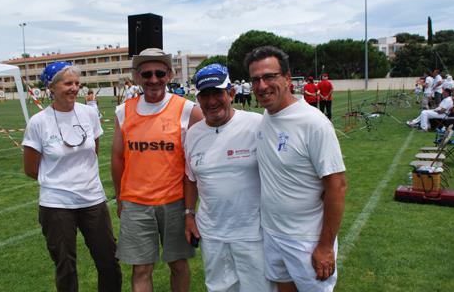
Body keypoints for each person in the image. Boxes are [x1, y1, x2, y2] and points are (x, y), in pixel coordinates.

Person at [245, 46, 347, 291]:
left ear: (288, 78)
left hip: (307, 240)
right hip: (272, 234)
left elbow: (337, 186)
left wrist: (324, 246)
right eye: (255, 79)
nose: (262, 86)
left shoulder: (313, 123)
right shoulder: (266, 118)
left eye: (269, 77)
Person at [22, 61, 122, 292]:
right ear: (51, 87)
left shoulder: (89, 113)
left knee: (108, 260)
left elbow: (92, 153)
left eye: (77, 83)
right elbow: (30, 168)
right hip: (55, 204)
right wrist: (59, 180)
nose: (74, 88)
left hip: (92, 199)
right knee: (65, 266)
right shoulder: (38, 122)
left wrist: (80, 177)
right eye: (68, 83)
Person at [111, 48, 203, 292]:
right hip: (135, 203)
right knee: (141, 269)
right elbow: (118, 157)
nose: (153, 80)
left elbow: (207, 148)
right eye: (147, 74)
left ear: (169, 74)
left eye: (159, 73)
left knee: (178, 264)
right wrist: (120, 196)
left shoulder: (187, 109)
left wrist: (190, 209)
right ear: (138, 77)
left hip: (175, 202)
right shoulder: (123, 111)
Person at [183, 64, 275, 292]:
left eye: (218, 93)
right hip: (212, 234)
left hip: (253, 232)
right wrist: (189, 215)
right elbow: (190, 179)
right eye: (205, 95)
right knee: (219, 288)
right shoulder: (192, 134)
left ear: (231, 93)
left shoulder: (257, 124)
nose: (212, 101)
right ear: (198, 98)